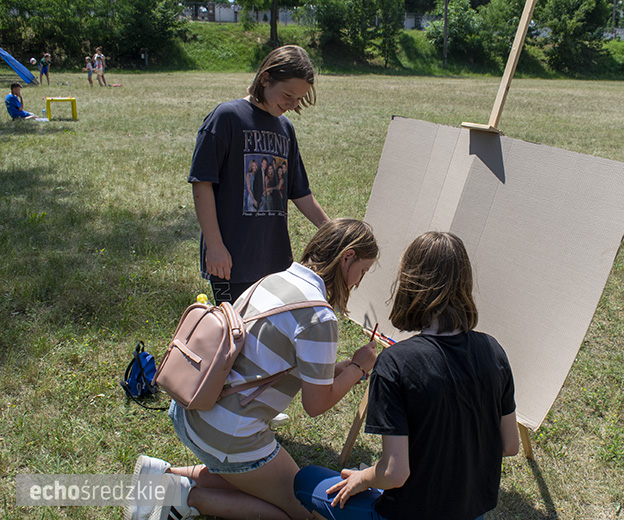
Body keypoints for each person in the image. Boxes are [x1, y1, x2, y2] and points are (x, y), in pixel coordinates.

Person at [126, 218, 380, 520]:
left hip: (191, 408)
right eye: (362, 271)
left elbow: (274, 361)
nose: (358, 282)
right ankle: (184, 498)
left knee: (258, 483)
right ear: (347, 257)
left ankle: (166, 475)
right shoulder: (319, 316)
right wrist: (358, 369)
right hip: (226, 431)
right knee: (304, 511)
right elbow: (316, 405)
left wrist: (343, 369)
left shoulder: (274, 279)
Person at [294, 231, 521, 520]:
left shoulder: (396, 363)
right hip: (471, 513)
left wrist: (362, 478)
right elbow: (510, 445)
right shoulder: (494, 351)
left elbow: (394, 473)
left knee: (305, 479)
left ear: (411, 283)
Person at [189, 44, 329, 306]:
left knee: (265, 337)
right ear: (265, 79)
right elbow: (202, 183)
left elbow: (300, 193)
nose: (292, 104)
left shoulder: (285, 128)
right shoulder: (227, 117)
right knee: (234, 334)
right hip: (231, 260)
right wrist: (215, 246)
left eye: (299, 98)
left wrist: (333, 231)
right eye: (288, 94)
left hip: (274, 260)